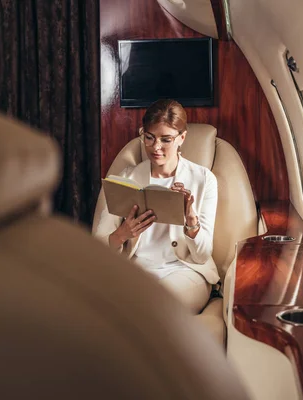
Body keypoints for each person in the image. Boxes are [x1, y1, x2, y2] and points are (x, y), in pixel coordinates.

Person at [94, 99, 219, 314]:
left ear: (182, 138)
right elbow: (97, 247)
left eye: (166, 140)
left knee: (154, 301)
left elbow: (201, 255)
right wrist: (123, 233)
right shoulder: (126, 178)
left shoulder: (203, 179)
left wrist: (191, 222)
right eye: (149, 138)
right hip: (136, 271)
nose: (155, 147)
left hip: (186, 272)